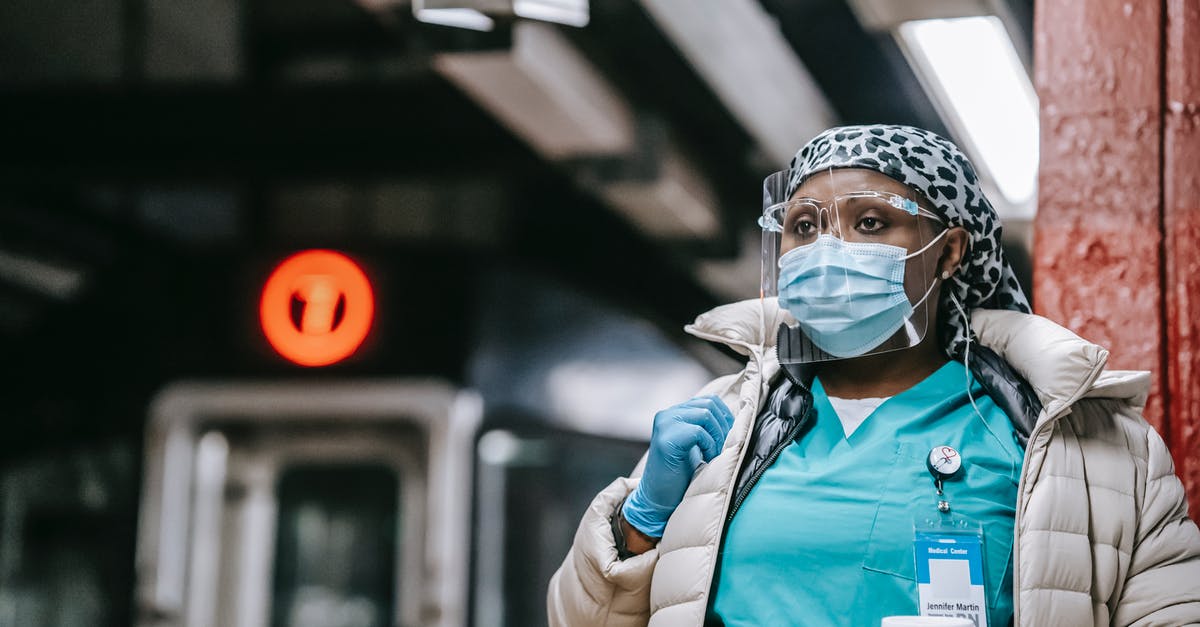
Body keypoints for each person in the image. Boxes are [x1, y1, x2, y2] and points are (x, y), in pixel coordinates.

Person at [546, 124, 1200, 626]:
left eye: (869, 221)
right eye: (804, 226)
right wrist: (641, 521)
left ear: (948, 251)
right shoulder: (723, 425)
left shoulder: (1090, 450)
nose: (829, 250)